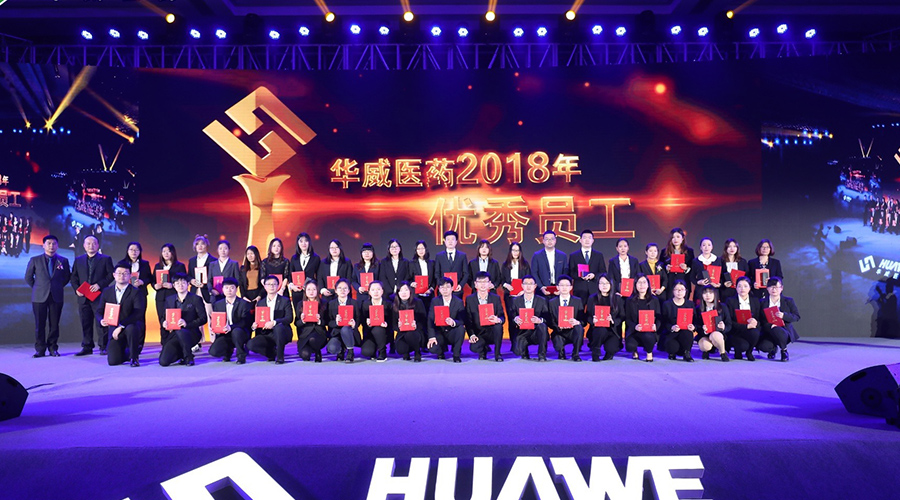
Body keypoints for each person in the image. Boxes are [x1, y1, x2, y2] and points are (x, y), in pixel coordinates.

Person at [24, 235, 71, 358]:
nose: (51, 246)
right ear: (43, 245)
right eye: (49, 243)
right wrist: (38, 287)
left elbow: (67, 277)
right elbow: (28, 277)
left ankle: (53, 348)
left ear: (57, 246)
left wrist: (57, 286)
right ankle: (40, 349)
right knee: (40, 324)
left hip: (56, 295)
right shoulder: (35, 260)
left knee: (54, 324)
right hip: (39, 296)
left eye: (54, 243)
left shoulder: (63, 261)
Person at [71, 234, 114, 356]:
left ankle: (103, 346)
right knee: (85, 323)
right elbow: (73, 277)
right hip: (83, 297)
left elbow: (111, 275)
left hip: (99, 296)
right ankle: (87, 346)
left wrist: (99, 285)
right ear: (84, 246)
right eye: (88, 244)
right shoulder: (78, 260)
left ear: (98, 245)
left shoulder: (105, 259)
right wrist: (77, 289)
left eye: (94, 243)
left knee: (101, 322)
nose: (91, 246)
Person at [97, 263, 147, 367]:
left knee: (131, 328)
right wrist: (101, 320)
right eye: (119, 273)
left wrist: (121, 326)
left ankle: (134, 357)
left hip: (130, 325)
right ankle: (127, 352)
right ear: (114, 275)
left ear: (130, 276)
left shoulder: (136, 292)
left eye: (125, 273)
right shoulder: (107, 291)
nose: (122, 276)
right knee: (113, 361)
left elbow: (138, 312)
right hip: (114, 327)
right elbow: (99, 310)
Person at [160, 273, 207, 366]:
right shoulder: (169, 299)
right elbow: (163, 317)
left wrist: (187, 324)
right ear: (174, 285)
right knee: (164, 361)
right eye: (177, 283)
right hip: (175, 335)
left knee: (181, 331)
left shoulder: (196, 299)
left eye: (183, 283)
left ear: (188, 284)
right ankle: (182, 353)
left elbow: (203, 318)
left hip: (191, 333)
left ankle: (188, 357)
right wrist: (164, 323)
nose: (180, 285)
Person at [247, 275, 294, 364]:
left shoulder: (285, 301)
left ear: (278, 286)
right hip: (266, 333)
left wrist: (274, 322)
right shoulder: (260, 303)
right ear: (265, 287)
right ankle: (272, 354)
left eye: (274, 284)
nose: (271, 286)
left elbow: (289, 318)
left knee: (278, 327)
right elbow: (258, 320)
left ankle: (280, 357)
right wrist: (254, 326)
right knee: (251, 345)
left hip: (282, 332)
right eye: (269, 284)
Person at [209, 277, 253, 364]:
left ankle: (241, 355)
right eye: (226, 288)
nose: (229, 290)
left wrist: (231, 327)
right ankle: (228, 352)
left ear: (236, 289)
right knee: (214, 352)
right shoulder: (218, 304)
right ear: (223, 289)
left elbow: (245, 321)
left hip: (240, 332)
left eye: (232, 288)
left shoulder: (243, 303)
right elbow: (217, 319)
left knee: (236, 332)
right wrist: (213, 328)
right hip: (225, 333)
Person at [465, 272, 506, 361]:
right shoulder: (470, 299)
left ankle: (497, 354)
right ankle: (483, 351)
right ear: (475, 284)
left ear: (490, 284)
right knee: (474, 347)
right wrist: (471, 335)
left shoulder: (496, 298)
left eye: (485, 282)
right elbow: (468, 320)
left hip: (492, 331)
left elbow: (503, 317)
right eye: (480, 282)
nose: (483, 285)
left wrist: (498, 320)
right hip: (479, 332)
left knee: (498, 326)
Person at [757, 277, 800, 361]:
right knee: (763, 346)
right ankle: (773, 349)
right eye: (771, 287)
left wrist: (784, 316)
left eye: (776, 287)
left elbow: (796, 316)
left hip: (784, 331)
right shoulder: (762, 302)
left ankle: (784, 350)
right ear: (767, 288)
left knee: (778, 330)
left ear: (781, 288)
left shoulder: (788, 301)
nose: (774, 289)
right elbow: (759, 319)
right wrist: (770, 325)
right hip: (768, 331)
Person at [152, 243, 187, 344]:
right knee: (162, 320)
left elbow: (183, 280)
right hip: (160, 297)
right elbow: (153, 280)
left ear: (173, 253)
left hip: (173, 296)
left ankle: (176, 343)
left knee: (174, 319)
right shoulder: (158, 266)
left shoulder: (180, 266)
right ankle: (164, 344)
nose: (166, 253)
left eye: (168, 251)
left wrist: (172, 285)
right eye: (164, 251)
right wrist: (155, 286)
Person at [426, 277, 466, 362]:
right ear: (439, 289)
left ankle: (456, 355)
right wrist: (431, 337)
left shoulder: (458, 302)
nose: (445, 290)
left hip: (452, 331)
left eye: (447, 287)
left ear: (452, 288)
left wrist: (453, 322)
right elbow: (430, 319)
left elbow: (462, 320)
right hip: (440, 331)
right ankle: (441, 352)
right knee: (433, 348)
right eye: (442, 287)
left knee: (461, 329)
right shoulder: (435, 301)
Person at [585, 274, 624, 361]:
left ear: (611, 284)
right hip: (597, 330)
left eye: (607, 283)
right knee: (600, 330)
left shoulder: (617, 298)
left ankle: (609, 352)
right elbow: (587, 315)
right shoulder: (592, 298)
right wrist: (592, 321)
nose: (604, 285)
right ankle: (595, 351)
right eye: (601, 283)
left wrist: (613, 321)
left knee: (611, 348)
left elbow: (622, 316)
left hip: (613, 330)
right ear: (598, 285)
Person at [510, 275, 549, 361]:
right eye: (526, 284)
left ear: (535, 286)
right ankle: (524, 352)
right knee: (518, 351)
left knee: (542, 326)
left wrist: (540, 320)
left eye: (531, 284)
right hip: (523, 332)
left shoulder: (542, 300)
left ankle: (542, 355)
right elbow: (512, 317)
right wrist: (515, 319)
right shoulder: (515, 301)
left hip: (536, 331)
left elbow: (547, 318)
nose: (528, 286)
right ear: (522, 286)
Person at [500, 241, 531, 350]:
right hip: (510, 296)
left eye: (517, 250)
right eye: (513, 250)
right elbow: (501, 279)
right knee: (512, 319)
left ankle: (522, 344)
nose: (515, 252)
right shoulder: (505, 265)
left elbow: (529, 279)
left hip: (522, 296)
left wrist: (524, 290)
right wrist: (505, 285)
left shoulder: (525, 265)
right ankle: (514, 344)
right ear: (510, 251)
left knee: (522, 319)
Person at [624, 274, 661, 362]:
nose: (642, 285)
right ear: (635, 285)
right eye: (639, 282)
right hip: (635, 331)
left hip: (649, 331)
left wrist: (656, 326)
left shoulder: (654, 300)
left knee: (648, 337)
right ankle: (634, 350)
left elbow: (659, 317)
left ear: (648, 285)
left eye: (644, 282)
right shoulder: (629, 301)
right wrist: (635, 327)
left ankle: (649, 352)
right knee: (630, 346)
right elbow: (627, 318)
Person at [547, 275, 584, 361]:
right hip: (559, 331)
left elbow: (583, 320)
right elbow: (550, 320)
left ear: (571, 287)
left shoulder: (578, 301)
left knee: (579, 328)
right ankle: (561, 352)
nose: (564, 288)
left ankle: (576, 354)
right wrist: (558, 326)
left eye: (567, 285)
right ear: (557, 287)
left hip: (573, 331)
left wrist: (577, 322)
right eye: (562, 285)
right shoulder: (552, 302)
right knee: (558, 345)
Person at [187, 234, 213, 353]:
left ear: (206, 245)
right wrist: (191, 280)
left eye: (202, 244)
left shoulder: (213, 260)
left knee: (211, 315)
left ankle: (214, 341)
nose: (200, 246)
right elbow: (188, 275)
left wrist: (206, 284)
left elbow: (214, 277)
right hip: (195, 291)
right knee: (196, 316)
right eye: (197, 244)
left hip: (207, 291)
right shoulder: (192, 261)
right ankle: (197, 342)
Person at [725, 276, 760, 361]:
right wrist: (745, 326)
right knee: (743, 346)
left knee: (755, 333)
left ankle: (749, 352)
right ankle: (738, 350)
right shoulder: (730, 301)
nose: (742, 289)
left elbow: (759, 319)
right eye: (739, 286)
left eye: (745, 286)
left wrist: (755, 322)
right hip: (735, 331)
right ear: (736, 288)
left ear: (750, 287)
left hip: (750, 330)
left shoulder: (755, 301)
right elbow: (729, 321)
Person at [324, 278, 360, 362]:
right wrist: (336, 322)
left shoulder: (354, 303)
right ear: (336, 291)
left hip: (350, 332)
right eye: (340, 288)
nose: (342, 290)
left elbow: (359, 318)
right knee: (332, 348)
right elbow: (328, 322)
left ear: (349, 291)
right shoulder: (331, 304)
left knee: (345, 329)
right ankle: (341, 350)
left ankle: (350, 351)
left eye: (345, 288)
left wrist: (354, 324)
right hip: (337, 333)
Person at [569, 229, 607, 307]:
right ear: (580, 240)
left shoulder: (598, 255)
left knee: (595, 310)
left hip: (594, 288)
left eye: (589, 238)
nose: (587, 240)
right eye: (584, 238)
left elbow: (603, 272)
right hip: (579, 289)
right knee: (579, 310)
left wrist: (594, 275)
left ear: (593, 240)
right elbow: (570, 272)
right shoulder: (574, 255)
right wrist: (580, 275)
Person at [659, 279, 696, 362]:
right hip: (671, 333)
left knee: (688, 333)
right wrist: (671, 327)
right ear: (673, 291)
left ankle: (687, 353)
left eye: (682, 289)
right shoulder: (667, 304)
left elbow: (695, 320)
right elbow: (663, 322)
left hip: (685, 333)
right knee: (672, 348)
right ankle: (672, 352)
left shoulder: (690, 304)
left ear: (686, 291)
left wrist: (693, 327)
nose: (679, 292)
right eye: (677, 289)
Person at [695, 285, 732, 361]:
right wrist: (703, 329)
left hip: (718, 335)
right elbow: (696, 325)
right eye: (705, 293)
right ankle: (706, 351)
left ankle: (722, 353)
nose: (708, 295)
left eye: (711, 293)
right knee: (705, 345)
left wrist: (724, 327)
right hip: (705, 335)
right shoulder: (698, 309)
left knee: (715, 335)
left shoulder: (723, 307)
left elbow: (729, 324)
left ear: (715, 294)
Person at [294, 279, 328, 362]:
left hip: (319, 332)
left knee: (313, 339)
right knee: (305, 355)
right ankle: (309, 348)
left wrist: (320, 321)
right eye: (308, 289)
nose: (311, 292)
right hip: (305, 334)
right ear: (305, 291)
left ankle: (317, 352)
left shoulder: (324, 303)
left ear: (317, 290)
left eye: (314, 289)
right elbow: (296, 323)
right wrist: (302, 321)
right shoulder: (300, 304)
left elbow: (328, 321)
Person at [393, 282, 426, 362]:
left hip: (416, 332)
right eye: (401, 290)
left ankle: (417, 352)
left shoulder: (418, 302)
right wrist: (399, 326)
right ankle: (406, 351)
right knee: (400, 349)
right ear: (398, 293)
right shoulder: (395, 305)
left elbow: (424, 320)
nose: (403, 293)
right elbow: (393, 324)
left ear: (410, 292)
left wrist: (416, 325)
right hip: (402, 333)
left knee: (410, 334)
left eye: (406, 290)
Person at [360, 280, 392, 361]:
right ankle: (374, 348)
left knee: (378, 329)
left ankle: (382, 352)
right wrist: (367, 323)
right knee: (366, 352)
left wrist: (387, 324)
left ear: (382, 291)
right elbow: (362, 321)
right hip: (370, 334)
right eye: (373, 290)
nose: (376, 292)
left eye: (378, 289)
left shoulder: (388, 304)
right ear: (369, 292)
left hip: (384, 333)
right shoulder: (365, 304)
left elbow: (393, 320)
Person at [289, 233, 321, 309]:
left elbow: (319, 275)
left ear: (309, 242)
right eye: (301, 241)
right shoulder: (294, 258)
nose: (303, 243)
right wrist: (292, 286)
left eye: (306, 241)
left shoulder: (316, 258)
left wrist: (313, 287)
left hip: (311, 293)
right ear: (298, 243)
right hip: (297, 292)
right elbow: (290, 274)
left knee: (311, 312)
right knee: (298, 312)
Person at [531, 230, 568, 297]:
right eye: (547, 239)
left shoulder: (562, 256)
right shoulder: (537, 255)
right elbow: (534, 273)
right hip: (542, 290)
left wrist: (561, 287)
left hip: (558, 290)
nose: (549, 241)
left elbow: (565, 272)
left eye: (552, 239)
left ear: (555, 240)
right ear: (543, 241)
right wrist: (541, 287)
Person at [661, 227, 695, 299]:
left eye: (678, 237)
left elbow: (692, 267)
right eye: (673, 237)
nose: (675, 239)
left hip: (684, 281)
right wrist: (666, 268)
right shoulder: (664, 251)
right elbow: (661, 266)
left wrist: (686, 268)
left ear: (682, 238)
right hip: (669, 283)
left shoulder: (689, 251)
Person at [434, 230, 469, 298]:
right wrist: (441, 286)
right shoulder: (439, 256)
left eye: (452, 239)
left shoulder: (462, 256)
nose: (450, 241)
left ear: (456, 242)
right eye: (448, 239)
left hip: (457, 290)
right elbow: (437, 273)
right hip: (443, 291)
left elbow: (466, 273)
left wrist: (460, 285)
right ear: (445, 241)